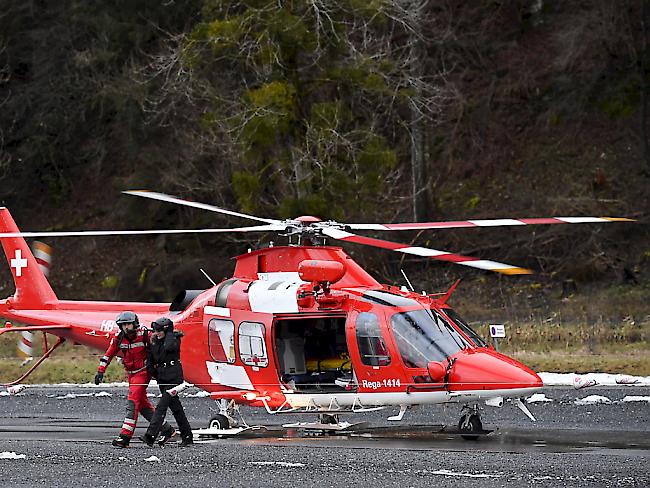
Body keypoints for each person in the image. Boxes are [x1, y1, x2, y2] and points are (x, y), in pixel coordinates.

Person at [95, 311, 176, 448]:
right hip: (131, 375)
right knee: (143, 407)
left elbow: (161, 347)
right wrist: (100, 371)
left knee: (132, 404)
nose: (126, 327)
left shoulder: (145, 335)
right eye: (123, 325)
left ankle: (125, 437)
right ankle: (167, 430)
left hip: (143, 373)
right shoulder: (119, 338)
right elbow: (108, 354)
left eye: (128, 324)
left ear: (135, 324)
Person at [139, 317, 193, 447]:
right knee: (176, 409)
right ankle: (187, 436)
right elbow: (152, 359)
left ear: (166, 330)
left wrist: (169, 333)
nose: (156, 333)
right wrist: (151, 372)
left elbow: (169, 347)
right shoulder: (155, 342)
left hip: (174, 378)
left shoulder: (174, 339)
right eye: (155, 330)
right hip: (162, 378)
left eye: (159, 331)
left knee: (161, 406)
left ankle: (150, 435)